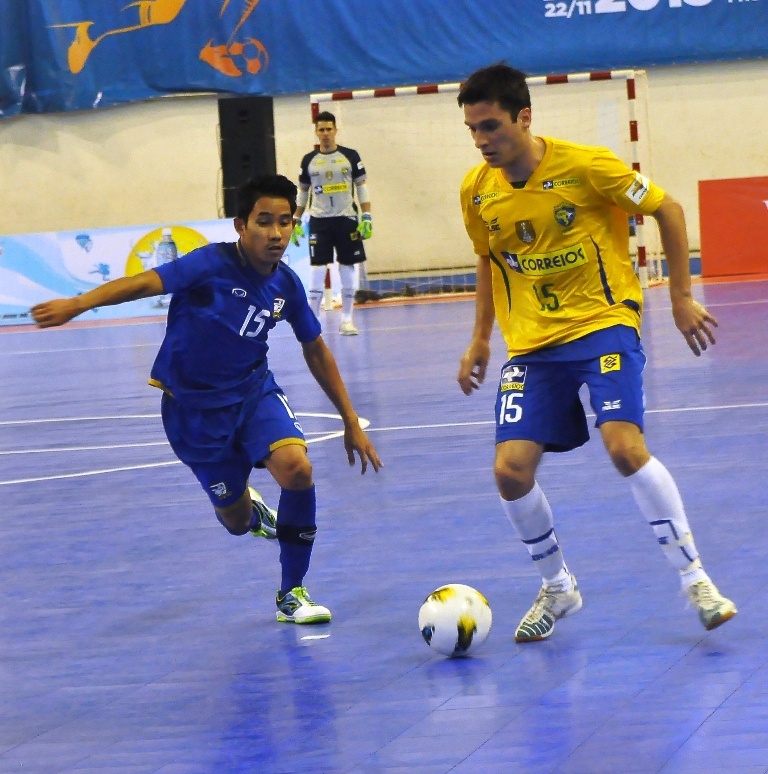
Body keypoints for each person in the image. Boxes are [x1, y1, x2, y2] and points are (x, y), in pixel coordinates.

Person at [455, 63, 736, 643]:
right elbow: (488, 259)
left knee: (624, 448)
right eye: (473, 129)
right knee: (509, 471)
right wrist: (481, 336)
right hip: (532, 343)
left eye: (491, 126)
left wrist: (681, 297)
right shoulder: (476, 190)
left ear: (523, 117)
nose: (481, 140)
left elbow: (668, 209)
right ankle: (557, 587)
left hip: (604, 325)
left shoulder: (587, 167)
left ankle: (696, 580)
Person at [32, 174, 382, 625]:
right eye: (264, 221)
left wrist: (350, 419)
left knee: (297, 469)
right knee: (235, 521)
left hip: (254, 393)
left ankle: (291, 593)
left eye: (285, 222)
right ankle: (251, 514)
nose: (276, 233)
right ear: (241, 225)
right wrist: (78, 304)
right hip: (192, 412)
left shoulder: (287, 286)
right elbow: (142, 283)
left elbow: (315, 348)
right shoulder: (209, 264)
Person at [291, 110, 372, 336]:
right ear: (316, 132)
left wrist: (366, 216)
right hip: (319, 221)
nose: (325, 133)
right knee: (317, 270)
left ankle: (347, 320)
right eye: (321, 130)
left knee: (347, 269)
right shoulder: (309, 160)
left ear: (335, 130)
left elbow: (361, 187)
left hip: (346, 220)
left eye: (329, 129)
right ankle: (313, 322)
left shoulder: (350, 156)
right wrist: (296, 219)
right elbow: (303, 192)